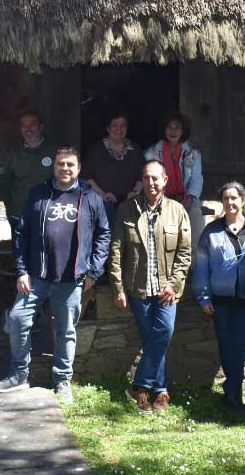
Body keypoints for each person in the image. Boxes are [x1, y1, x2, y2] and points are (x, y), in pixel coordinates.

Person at [0, 147, 110, 405]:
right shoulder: (39, 192)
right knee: (17, 319)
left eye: (70, 164)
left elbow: (103, 235)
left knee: (65, 330)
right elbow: (21, 232)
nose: (64, 168)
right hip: (36, 276)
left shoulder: (90, 197)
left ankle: (62, 379)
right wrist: (22, 270)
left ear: (78, 168)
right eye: (60, 164)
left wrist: (94, 271)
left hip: (71, 279)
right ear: (54, 166)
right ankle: (19, 374)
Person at [109, 159, 193, 415]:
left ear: (165, 180)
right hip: (138, 289)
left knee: (162, 334)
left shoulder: (177, 211)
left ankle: (140, 386)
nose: (151, 182)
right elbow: (116, 250)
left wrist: (174, 283)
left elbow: (185, 253)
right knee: (153, 340)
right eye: (146, 177)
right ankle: (160, 392)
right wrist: (118, 287)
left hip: (167, 291)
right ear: (142, 180)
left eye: (156, 178)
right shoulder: (127, 209)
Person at [193, 181, 245, 412]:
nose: (230, 203)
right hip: (221, 298)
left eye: (234, 198)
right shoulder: (211, 231)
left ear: (243, 200)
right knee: (226, 346)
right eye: (226, 199)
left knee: (238, 345)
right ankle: (233, 392)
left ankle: (233, 394)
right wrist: (204, 297)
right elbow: (202, 266)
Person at [144, 111, 204, 249]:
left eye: (177, 127)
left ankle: (193, 264)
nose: (173, 131)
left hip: (187, 199)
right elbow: (151, 182)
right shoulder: (151, 153)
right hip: (160, 199)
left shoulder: (193, 154)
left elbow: (196, 179)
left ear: (183, 131)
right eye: (169, 127)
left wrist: (189, 199)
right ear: (164, 130)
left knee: (196, 220)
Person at [3, 111, 59, 242]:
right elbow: (7, 185)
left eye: (32, 124)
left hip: (47, 215)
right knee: (21, 257)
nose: (28, 129)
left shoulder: (55, 151)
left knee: (45, 255)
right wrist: (10, 210)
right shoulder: (14, 154)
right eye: (24, 125)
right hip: (19, 214)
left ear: (41, 127)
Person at [83, 112, 143, 224]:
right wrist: (102, 194)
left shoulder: (135, 149)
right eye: (114, 125)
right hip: (103, 200)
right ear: (108, 128)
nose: (119, 129)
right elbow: (87, 175)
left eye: (122, 126)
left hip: (130, 200)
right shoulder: (96, 149)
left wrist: (135, 192)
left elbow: (142, 175)